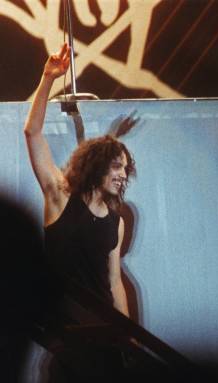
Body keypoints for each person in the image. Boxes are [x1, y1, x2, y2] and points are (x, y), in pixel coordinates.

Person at [24, 43, 135, 316]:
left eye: (126, 168)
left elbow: (114, 282)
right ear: (97, 167)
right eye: (116, 166)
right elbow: (32, 133)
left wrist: (128, 339)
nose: (123, 174)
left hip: (102, 331)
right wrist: (48, 78)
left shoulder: (115, 222)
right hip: (64, 332)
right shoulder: (60, 197)